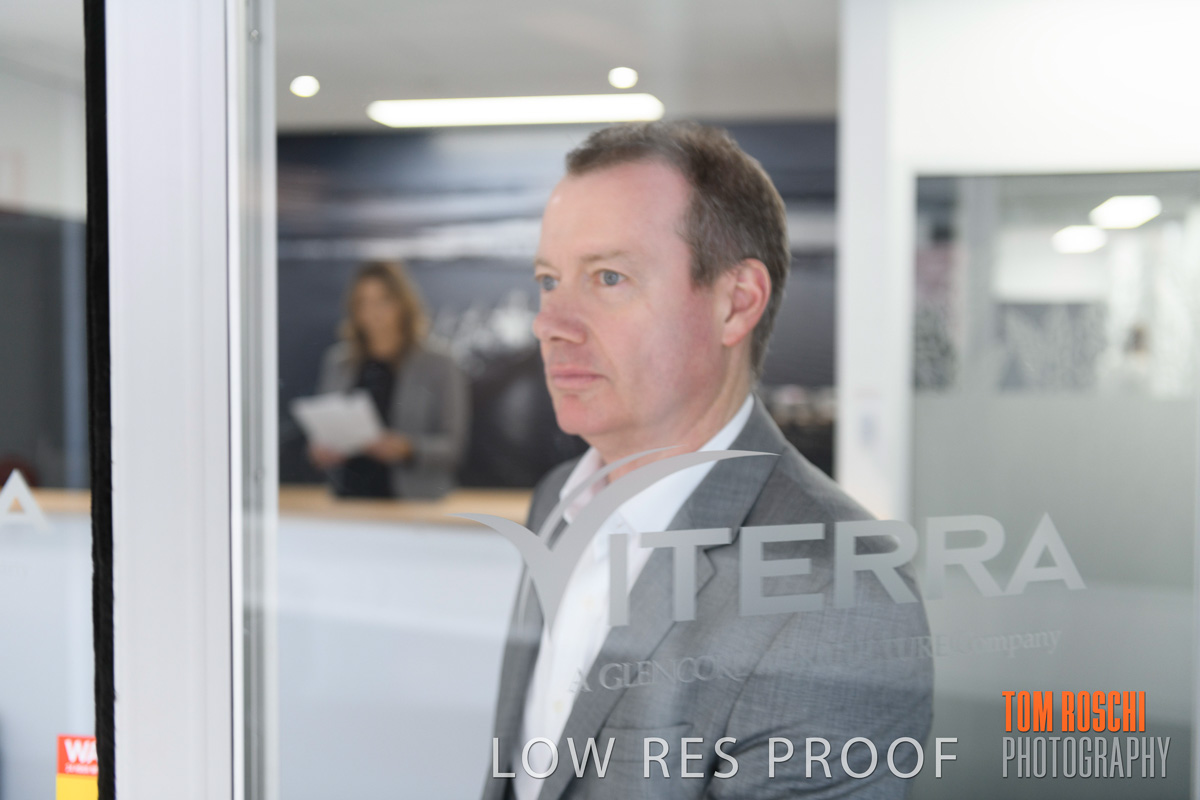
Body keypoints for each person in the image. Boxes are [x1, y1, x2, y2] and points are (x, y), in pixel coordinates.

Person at [482, 122, 931, 800]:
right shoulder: (556, 500)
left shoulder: (842, 591)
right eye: (550, 279)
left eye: (608, 277)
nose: (551, 323)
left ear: (735, 303)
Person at [309, 261, 469, 499]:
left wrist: (407, 449)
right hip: (348, 500)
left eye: (383, 300)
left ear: (403, 304)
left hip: (413, 503)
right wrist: (321, 451)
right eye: (363, 302)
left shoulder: (439, 364)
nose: (372, 312)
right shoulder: (339, 363)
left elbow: (453, 448)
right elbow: (320, 435)